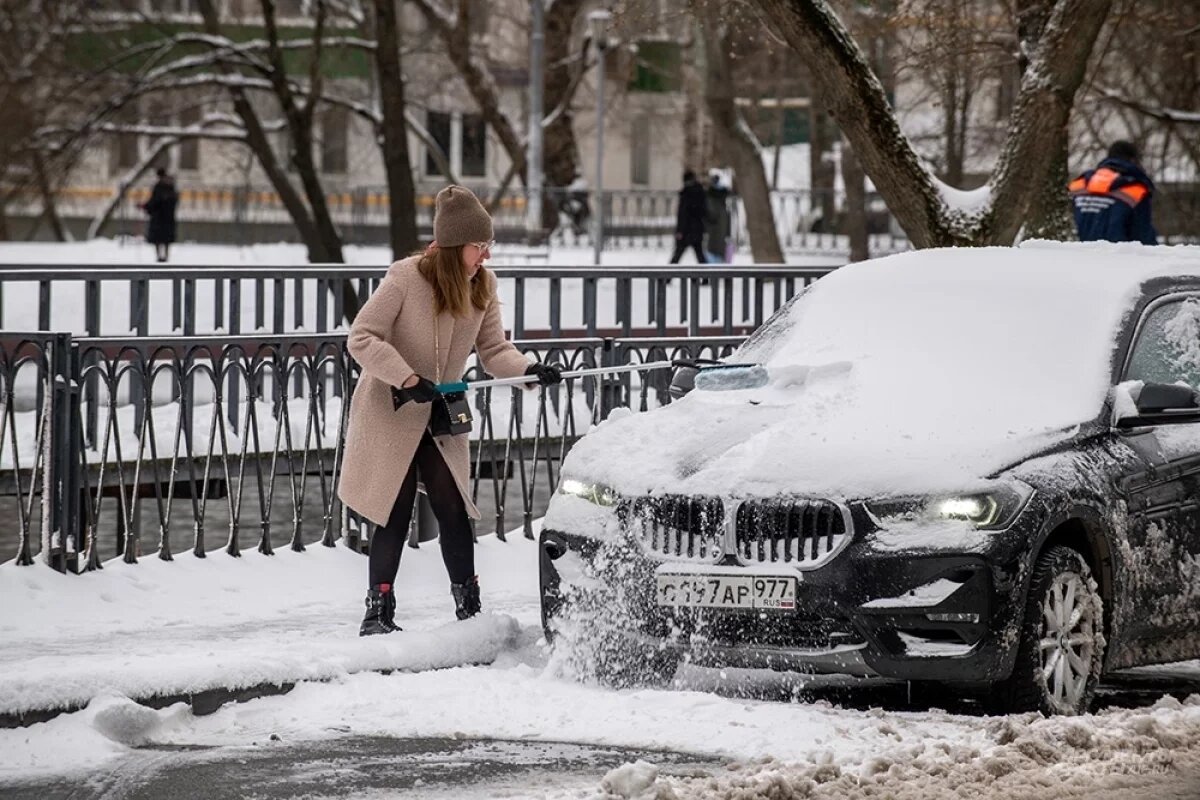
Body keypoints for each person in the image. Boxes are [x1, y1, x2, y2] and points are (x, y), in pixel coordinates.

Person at [338, 185, 563, 636]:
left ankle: (469, 610)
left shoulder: (483, 284)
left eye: (488, 247)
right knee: (392, 509)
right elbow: (361, 337)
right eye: (480, 247)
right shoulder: (405, 277)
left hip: (440, 415)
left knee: (454, 506)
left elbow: (494, 349)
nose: (486, 257)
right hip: (392, 409)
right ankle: (377, 614)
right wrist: (405, 377)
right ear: (457, 245)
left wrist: (530, 369)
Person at [1069, 140, 1158, 245]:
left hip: (1074, 255)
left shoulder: (1079, 184)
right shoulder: (1136, 189)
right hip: (1116, 257)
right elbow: (1143, 235)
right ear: (1133, 160)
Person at [669, 170, 708, 264]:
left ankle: (666, 278)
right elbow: (703, 212)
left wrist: (680, 231)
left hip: (686, 231)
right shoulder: (700, 192)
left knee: (677, 256)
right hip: (697, 229)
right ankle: (707, 277)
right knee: (700, 256)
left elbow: (683, 214)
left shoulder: (686, 194)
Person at [142, 168, 178, 262]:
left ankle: (161, 256)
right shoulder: (171, 187)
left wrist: (146, 207)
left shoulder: (160, 187)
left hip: (159, 217)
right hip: (166, 217)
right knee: (164, 238)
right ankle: (164, 256)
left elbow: (154, 202)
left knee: (159, 238)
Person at [704, 171, 733, 264]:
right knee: (720, 246)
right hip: (721, 224)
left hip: (713, 225)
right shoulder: (724, 196)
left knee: (712, 247)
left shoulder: (709, 196)